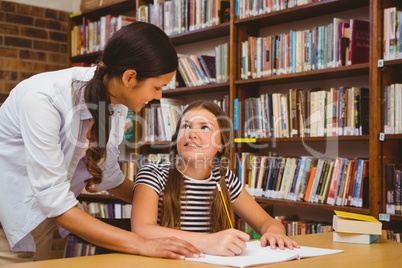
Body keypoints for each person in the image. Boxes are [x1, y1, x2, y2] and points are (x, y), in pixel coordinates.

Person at [0, 21, 202, 265]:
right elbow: (55, 201)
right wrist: (141, 243)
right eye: (157, 87)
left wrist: (164, 201)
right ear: (130, 77)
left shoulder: (113, 102)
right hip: (7, 222)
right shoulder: (43, 100)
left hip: (39, 221)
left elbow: (109, 176)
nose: (158, 96)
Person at [131, 100, 300, 256]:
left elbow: (266, 222)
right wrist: (207, 242)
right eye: (186, 126)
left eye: (204, 127)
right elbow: (142, 230)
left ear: (221, 145)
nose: (191, 133)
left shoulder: (225, 179)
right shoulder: (153, 173)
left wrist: (274, 232)